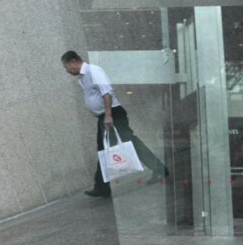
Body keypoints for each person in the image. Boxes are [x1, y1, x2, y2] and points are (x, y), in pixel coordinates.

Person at [61, 51, 168, 198]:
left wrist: (108, 115)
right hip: (104, 116)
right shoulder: (82, 78)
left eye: (67, 67)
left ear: (73, 61)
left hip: (112, 114)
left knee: (130, 143)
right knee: (103, 149)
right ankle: (102, 186)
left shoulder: (94, 71)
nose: (67, 71)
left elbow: (107, 92)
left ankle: (159, 170)